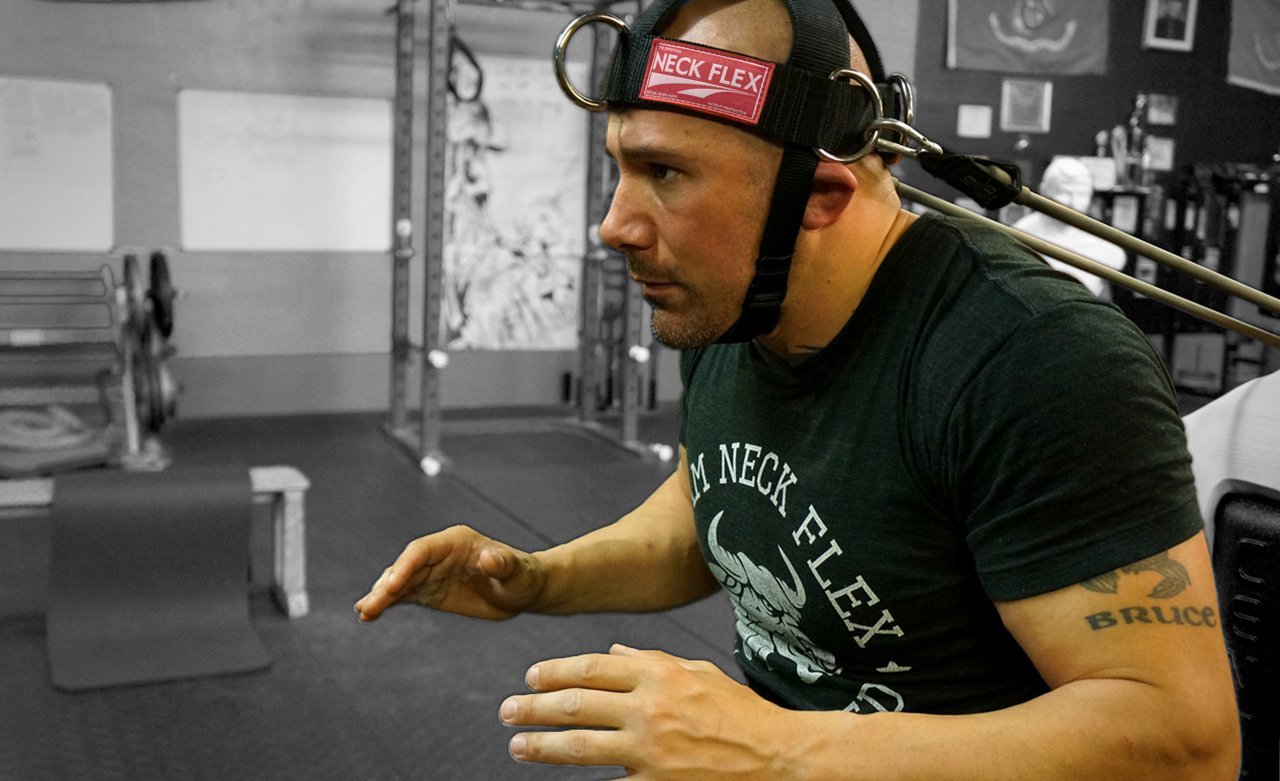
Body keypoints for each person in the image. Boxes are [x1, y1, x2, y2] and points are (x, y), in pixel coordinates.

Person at [355, 0, 1242, 777]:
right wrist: (536, 581)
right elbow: (711, 511)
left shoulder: (1034, 361)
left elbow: (1184, 743)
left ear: (818, 194)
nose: (615, 224)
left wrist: (778, 749)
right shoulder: (736, 301)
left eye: (665, 173)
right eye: (622, 165)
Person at [1012, 156, 1128, 299]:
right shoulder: (1020, 234)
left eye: (1081, 194)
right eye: (1065, 193)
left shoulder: (1104, 243)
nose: (1073, 202)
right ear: (1044, 190)